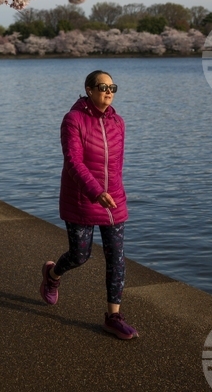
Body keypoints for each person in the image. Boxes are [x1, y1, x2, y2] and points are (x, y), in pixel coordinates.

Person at [39, 69, 139, 340]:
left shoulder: (118, 122)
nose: (108, 91)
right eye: (102, 86)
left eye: (112, 87)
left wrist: (116, 195)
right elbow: (73, 161)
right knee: (80, 255)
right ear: (89, 89)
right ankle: (52, 274)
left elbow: (116, 166)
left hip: (113, 200)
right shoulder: (73, 120)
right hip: (82, 197)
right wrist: (96, 192)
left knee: (116, 258)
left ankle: (113, 316)